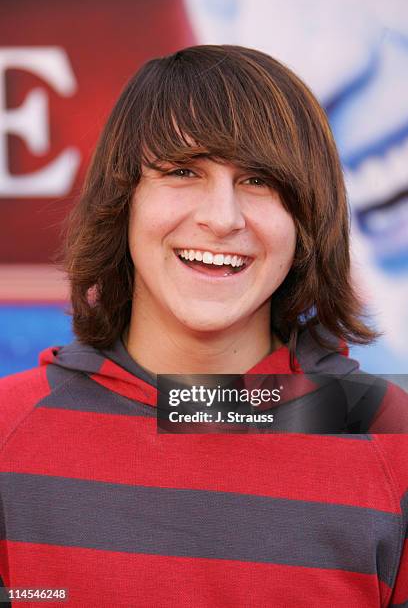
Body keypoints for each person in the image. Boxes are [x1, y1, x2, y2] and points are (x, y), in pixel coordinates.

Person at [0, 44, 407, 607]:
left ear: (309, 218)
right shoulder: (7, 434)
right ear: (124, 201)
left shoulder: (392, 435)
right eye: (183, 170)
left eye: (260, 180)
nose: (221, 218)